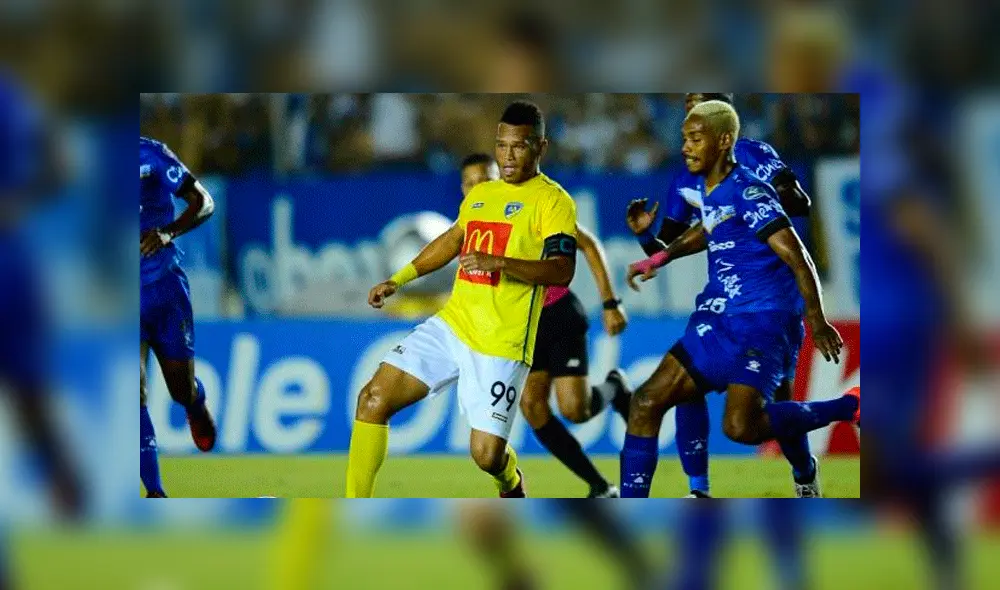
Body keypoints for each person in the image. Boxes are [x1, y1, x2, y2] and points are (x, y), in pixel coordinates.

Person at [619, 100, 859, 498]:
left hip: (766, 321)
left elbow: (798, 256)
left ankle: (845, 409)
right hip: (725, 316)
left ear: (724, 139)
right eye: (684, 138)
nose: (686, 147)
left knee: (741, 428)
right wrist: (657, 255)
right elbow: (707, 228)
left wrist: (817, 320)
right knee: (646, 401)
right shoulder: (704, 186)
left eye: (695, 138)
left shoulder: (750, 189)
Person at [346, 101, 578, 498]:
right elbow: (452, 241)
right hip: (454, 324)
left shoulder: (554, 202)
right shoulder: (482, 194)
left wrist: (499, 261)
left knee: (487, 456)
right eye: (501, 145)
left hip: (502, 342)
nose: (507, 155)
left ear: (541, 146)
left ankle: (511, 480)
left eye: (518, 147)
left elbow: (562, 270)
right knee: (373, 398)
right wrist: (398, 279)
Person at [460, 152, 632, 498]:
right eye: (469, 183)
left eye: (485, 179)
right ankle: (599, 485)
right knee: (533, 407)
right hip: (522, 328)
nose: (477, 187)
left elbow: (588, 244)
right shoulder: (469, 222)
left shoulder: (531, 204)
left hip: (557, 315)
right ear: (462, 190)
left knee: (575, 410)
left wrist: (610, 302)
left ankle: (614, 386)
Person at [0, 73, 84, 518]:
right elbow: (61, 166)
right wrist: (19, 199)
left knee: (30, 401)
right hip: (14, 258)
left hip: (11, 262)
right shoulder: (14, 95)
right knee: (30, 401)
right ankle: (69, 490)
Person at [139, 136, 218, 497]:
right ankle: (155, 492)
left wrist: (167, 233)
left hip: (164, 289)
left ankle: (194, 401)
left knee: (179, 390)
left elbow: (204, 203)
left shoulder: (151, 154)